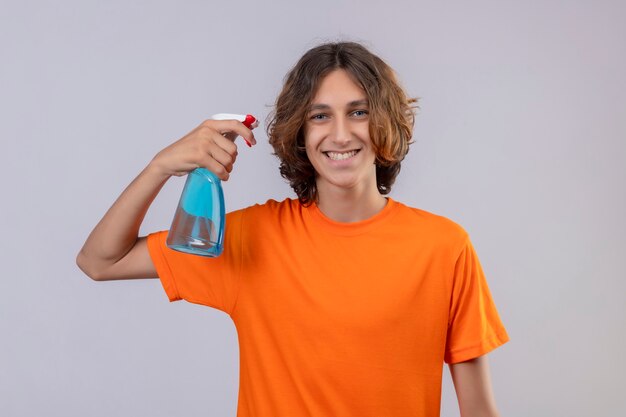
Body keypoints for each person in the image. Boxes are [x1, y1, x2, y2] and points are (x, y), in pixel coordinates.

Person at [77, 41, 509, 417]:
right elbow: (100, 260)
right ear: (299, 133)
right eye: (320, 116)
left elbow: (479, 409)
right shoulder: (254, 238)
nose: (340, 134)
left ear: (384, 124)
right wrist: (161, 166)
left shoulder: (444, 247)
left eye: (358, 112)